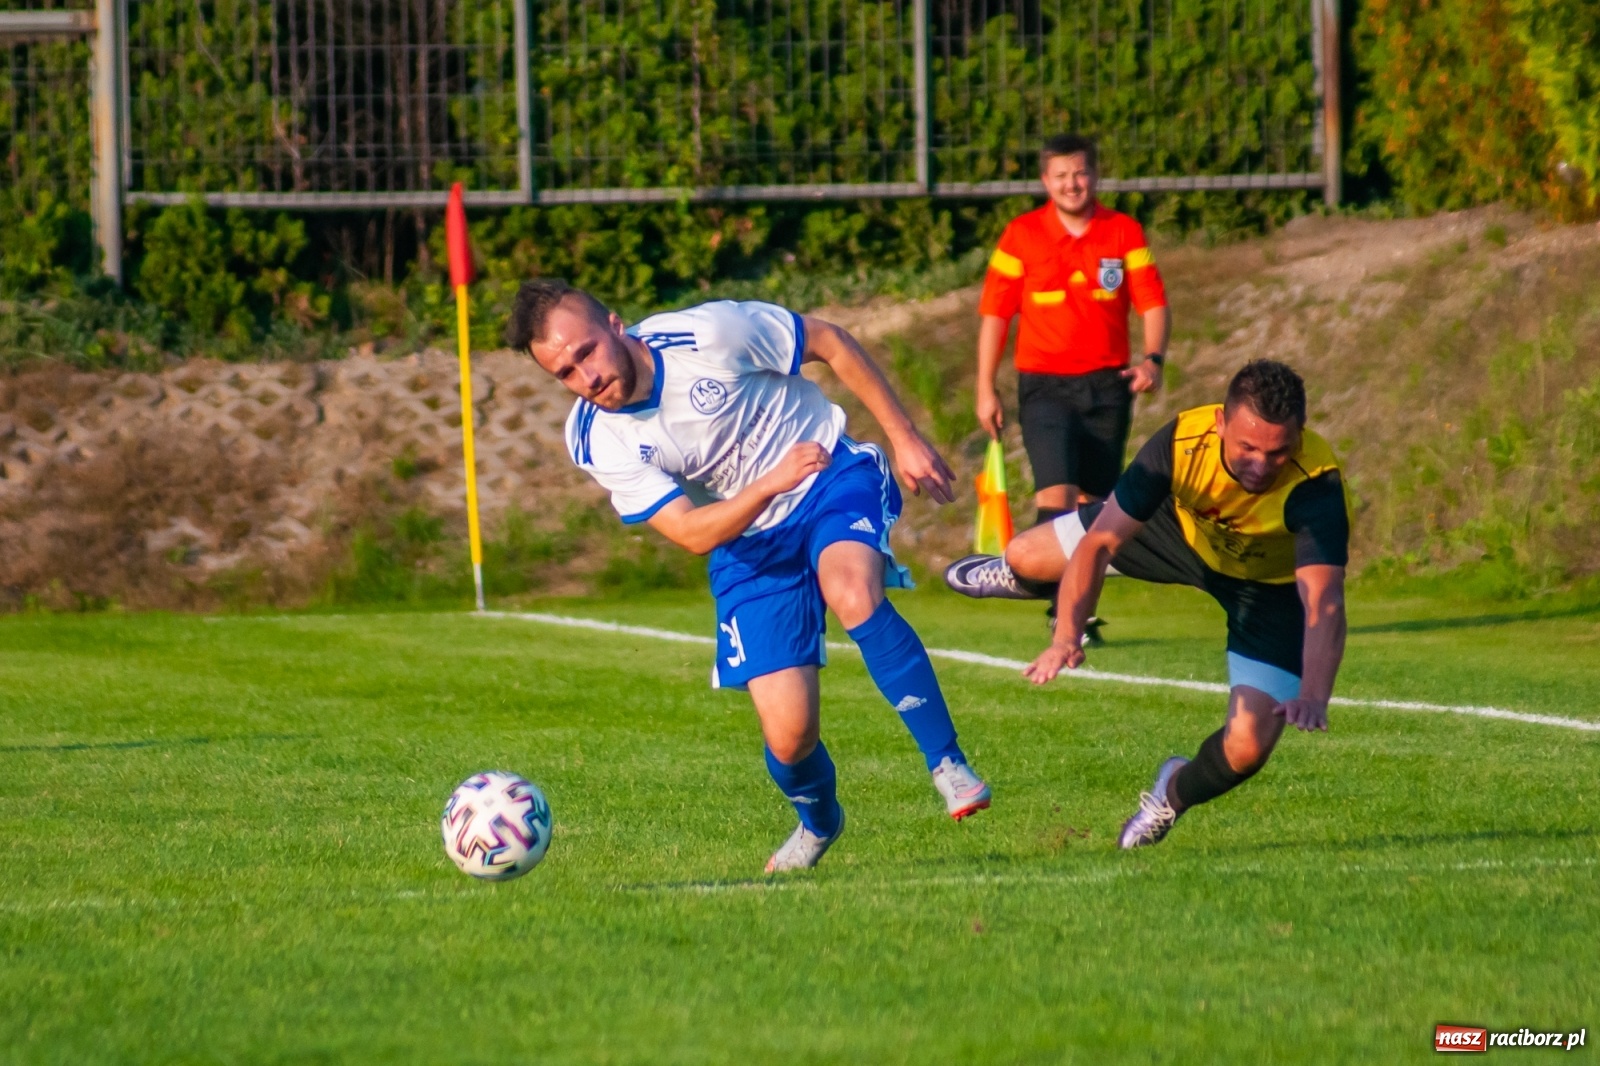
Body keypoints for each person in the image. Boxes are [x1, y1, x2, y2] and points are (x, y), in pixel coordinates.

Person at [506, 280, 992, 873]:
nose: (586, 377)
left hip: (828, 478)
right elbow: (690, 533)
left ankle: (947, 763)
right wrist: (767, 484)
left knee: (851, 592)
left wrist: (905, 437)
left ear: (614, 324)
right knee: (790, 738)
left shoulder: (708, 334)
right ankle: (819, 823)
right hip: (748, 536)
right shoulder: (596, 437)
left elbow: (830, 342)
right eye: (565, 373)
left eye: (585, 353)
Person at [946, 360, 1349, 848]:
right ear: (1221, 423)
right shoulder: (1184, 442)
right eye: (1246, 447)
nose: (1260, 466)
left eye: (1277, 452)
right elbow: (1099, 544)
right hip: (1176, 534)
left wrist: (1314, 693)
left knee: (1246, 749)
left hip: (1266, 587)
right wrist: (1067, 636)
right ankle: (1022, 578)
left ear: (1300, 437)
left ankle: (1171, 794)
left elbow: (1323, 600)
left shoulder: (1315, 483)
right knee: (1026, 553)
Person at [955, 133, 1172, 637]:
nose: (1072, 184)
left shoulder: (1123, 233)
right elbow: (995, 315)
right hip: (1045, 388)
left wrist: (1153, 360)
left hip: (1108, 387)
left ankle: (1074, 615)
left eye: (1080, 173)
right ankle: (1034, 579)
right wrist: (984, 387)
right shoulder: (1022, 236)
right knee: (1056, 496)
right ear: (1045, 181)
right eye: (1061, 175)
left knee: (1096, 510)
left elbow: (1153, 303)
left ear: (1094, 175)